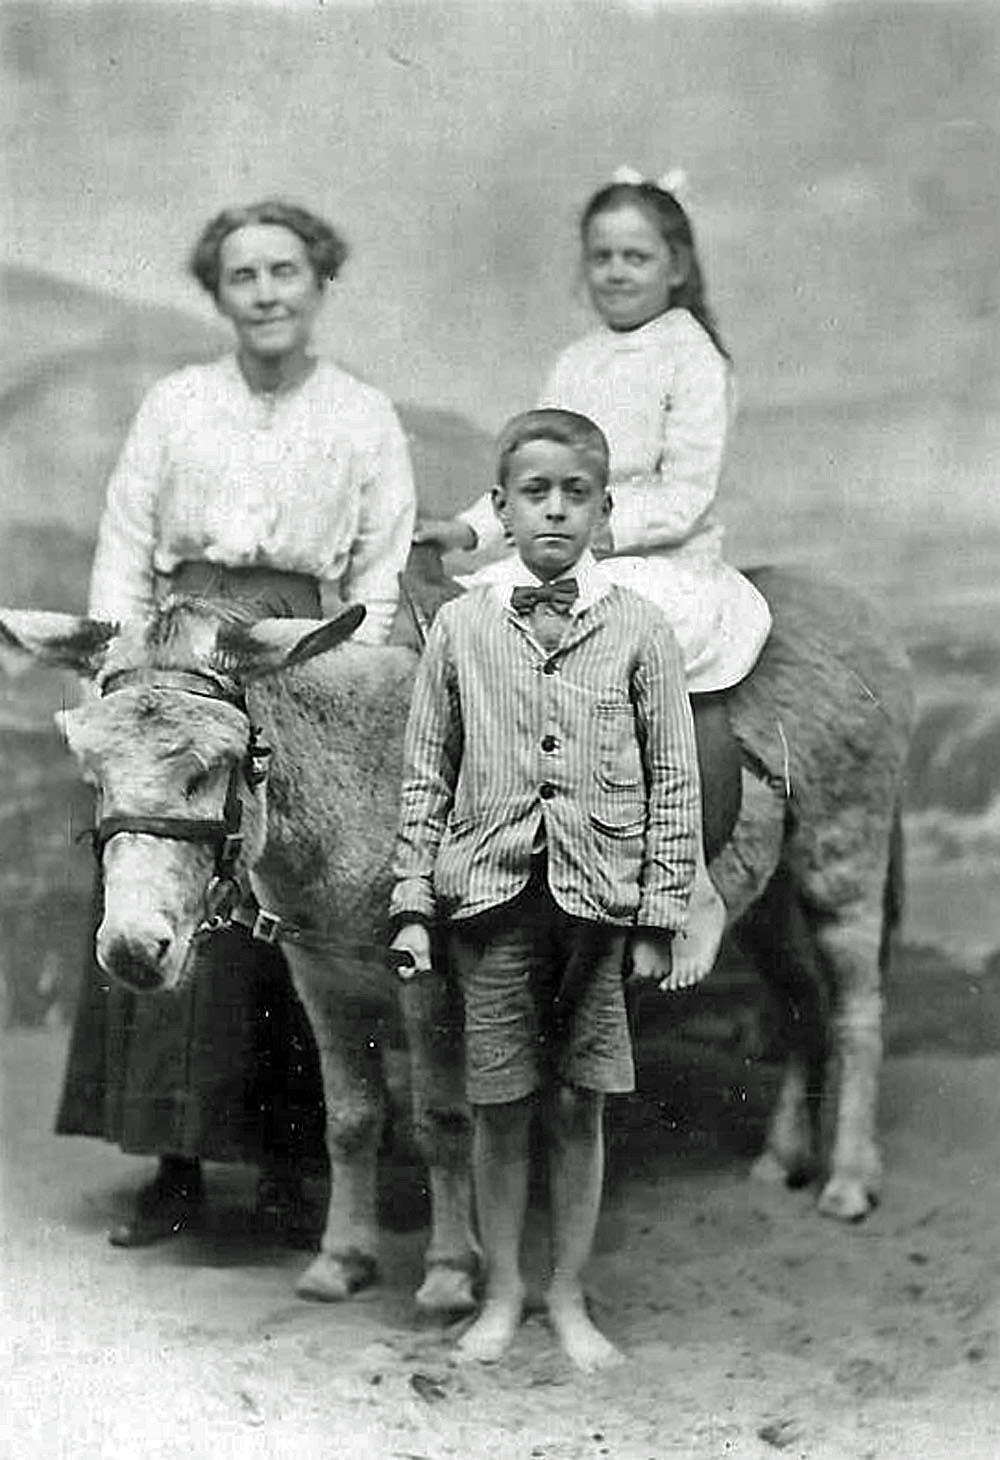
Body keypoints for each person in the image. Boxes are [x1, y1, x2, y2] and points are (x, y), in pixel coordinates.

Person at [57, 199, 417, 1247]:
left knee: (294, 898)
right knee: (163, 863)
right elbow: (126, 542)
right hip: (178, 650)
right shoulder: (175, 404)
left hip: (297, 652)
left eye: (285, 272)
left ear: (319, 283)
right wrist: (126, 675)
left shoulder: (361, 413)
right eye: (244, 276)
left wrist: (341, 680)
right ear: (218, 293)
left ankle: (288, 1166)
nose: (265, 292)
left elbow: (381, 568)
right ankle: (172, 1159)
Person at [390, 409, 700, 1372]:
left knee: (580, 1106)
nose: (555, 511)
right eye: (535, 493)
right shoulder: (462, 626)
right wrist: (411, 900)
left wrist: (658, 916)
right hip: (490, 902)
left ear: (605, 513)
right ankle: (503, 1292)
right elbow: (427, 771)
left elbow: (674, 780)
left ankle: (567, 1293)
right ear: (502, 509)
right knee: (500, 1104)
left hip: (598, 902)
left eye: (575, 494)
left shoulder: (640, 629)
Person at [416, 169, 771, 986]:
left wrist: (597, 533)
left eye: (636, 257)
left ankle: (686, 883)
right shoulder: (577, 359)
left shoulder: (694, 357)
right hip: (567, 544)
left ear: (676, 266)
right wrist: (471, 527)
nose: (616, 271)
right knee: (476, 629)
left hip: (659, 559)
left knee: (617, 646)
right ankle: (499, 854)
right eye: (602, 256)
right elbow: (537, 466)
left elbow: (686, 494)